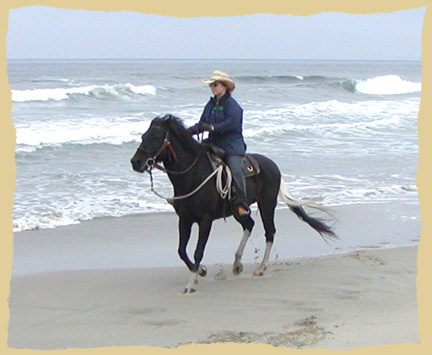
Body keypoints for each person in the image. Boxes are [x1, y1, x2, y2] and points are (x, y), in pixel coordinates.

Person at [188, 70, 249, 217]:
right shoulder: (210, 104)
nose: (212, 87)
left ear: (224, 86)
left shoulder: (233, 106)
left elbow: (231, 124)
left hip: (231, 145)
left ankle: (241, 203)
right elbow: (202, 123)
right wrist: (186, 133)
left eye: (215, 84)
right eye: (211, 85)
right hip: (213, 143)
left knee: (235, 169)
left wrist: (212, 127)